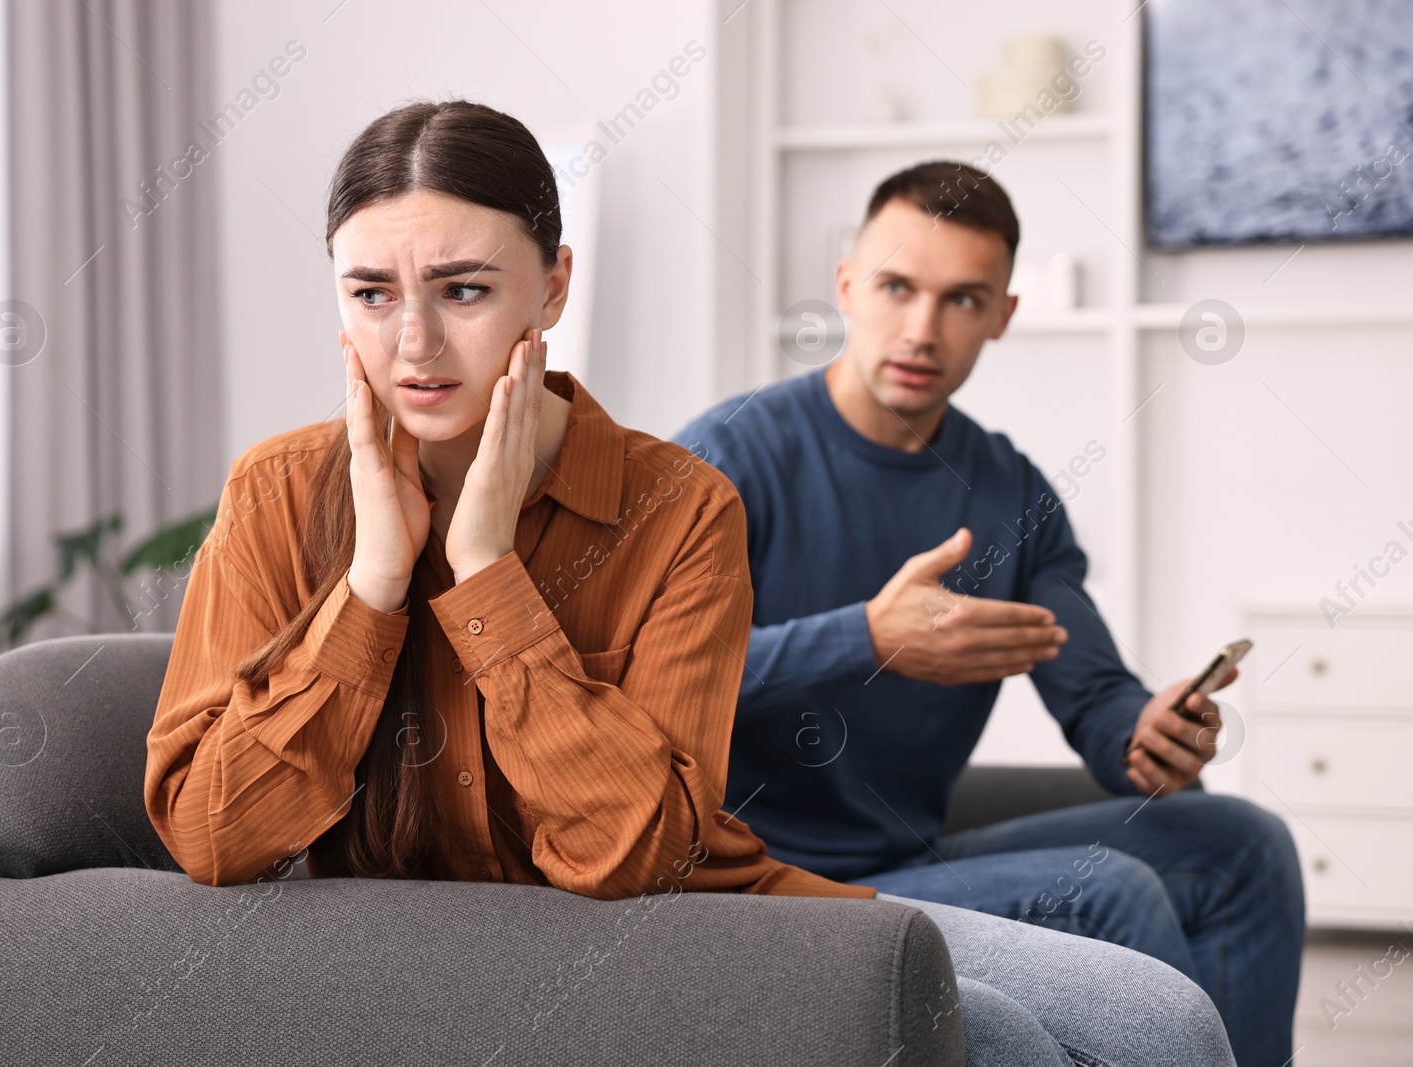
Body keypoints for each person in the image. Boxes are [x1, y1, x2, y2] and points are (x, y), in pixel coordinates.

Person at [144, 104, 1235, 1065]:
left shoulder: (679, 505)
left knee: (1156, 1022)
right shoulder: (279, 494)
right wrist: (380, 584)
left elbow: (650, 848)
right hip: (544, 946)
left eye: (464, 290)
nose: (415, 343)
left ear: (553, 283)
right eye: (370, 293)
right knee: (999, 1033)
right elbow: (213, 831)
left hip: (707, 905)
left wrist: (483, 568)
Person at [674, 160, 1304, 1066]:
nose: (922, 329)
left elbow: (1091, 690)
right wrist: (865, 638)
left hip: (910, 860)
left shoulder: (1011, 491)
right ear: (847, 285)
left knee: (1243, 841)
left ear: (1003, 316)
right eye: (897, 287)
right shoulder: (726, 455)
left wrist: (1145, 731)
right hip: (758, 879)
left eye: (964, 299)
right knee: (1112, 891)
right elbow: (637, 681)